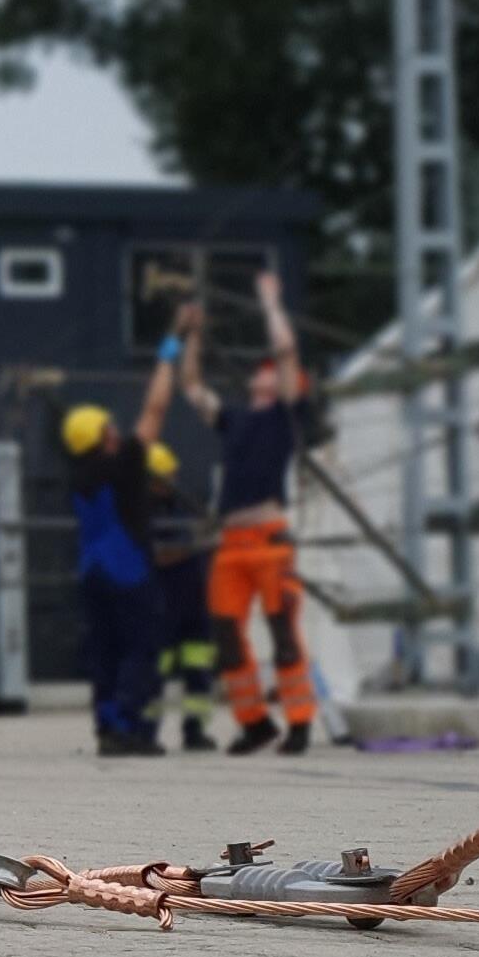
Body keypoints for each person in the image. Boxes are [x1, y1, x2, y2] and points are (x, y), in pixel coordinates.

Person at [180, 271, 316, 755]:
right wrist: (191, 333)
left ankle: (299, 722)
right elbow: (193, 386)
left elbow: (284, 352)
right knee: (226, 634)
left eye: (272, 371)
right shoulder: (237, 418)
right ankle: (255, 721)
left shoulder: (284, 416)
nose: (263, 371)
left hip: (269, 536)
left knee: (282, 632)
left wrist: (270, 302)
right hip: (233, 542)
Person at [61, 353, 175, 757]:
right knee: (139, 651)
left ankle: (108, 726)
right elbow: (155, 410)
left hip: (92, 572)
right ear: (102, 434)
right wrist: (167, 355)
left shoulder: (78, 477)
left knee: (104, 653)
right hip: (128, 571)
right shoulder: (122, 464)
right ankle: (132, 729)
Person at [144, 440, 219, 752]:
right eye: (166, 476)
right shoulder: (145, 512)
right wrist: (197, 545)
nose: (172, 481)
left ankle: (195, 729)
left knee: (199, 671)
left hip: (194, 603)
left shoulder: (181, 505)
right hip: (164, 604)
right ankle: (146, 732)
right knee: (155, 671)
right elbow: (157, 555)